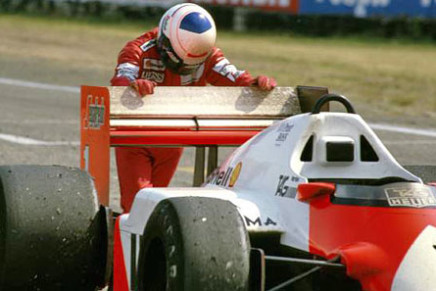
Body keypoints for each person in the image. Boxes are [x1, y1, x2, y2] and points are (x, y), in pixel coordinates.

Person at [111, 3, 277, 212]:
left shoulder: (208, 56)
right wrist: (131, 87)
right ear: (164, 41)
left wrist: (255, 83)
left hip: (173, 140)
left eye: (190, 66)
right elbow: (121, 80)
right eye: (178, 62)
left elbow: (234, 76)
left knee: (154, 205)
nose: (183, 70)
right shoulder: (137, 50)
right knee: (136, 205)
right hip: (135, 138)